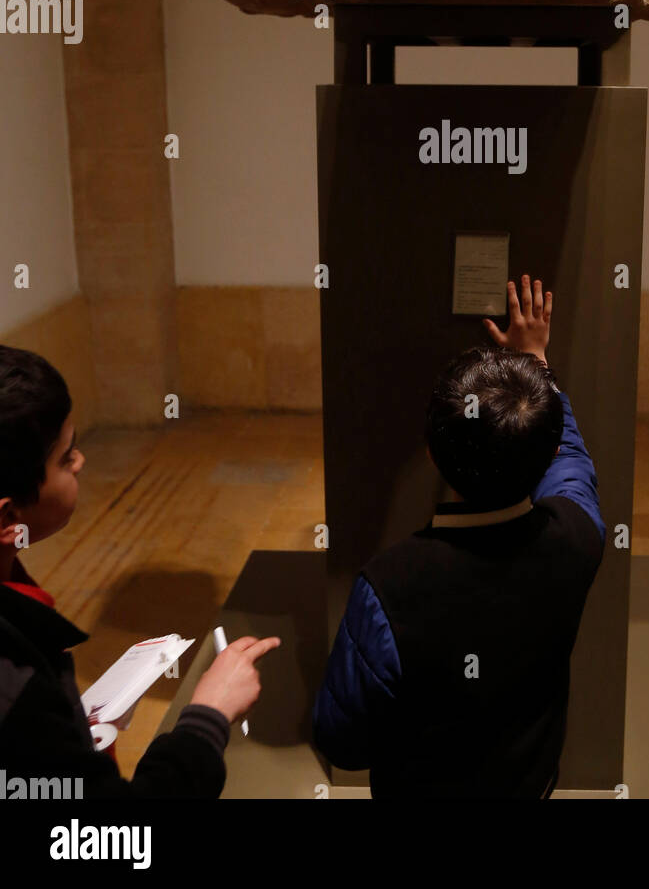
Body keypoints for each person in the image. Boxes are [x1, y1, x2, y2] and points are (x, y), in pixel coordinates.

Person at [313, 273, 605, 798]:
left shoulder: (387, 586)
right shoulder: (577, 539)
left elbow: (344, 740)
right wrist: (535, 365)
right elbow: (571, 464)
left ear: (432, 456)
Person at [0, 345, 279, 798]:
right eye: (65, 457)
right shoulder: (18, 693)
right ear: (8, 520)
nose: (82, 461)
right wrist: (207, 716)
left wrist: (72, 727)